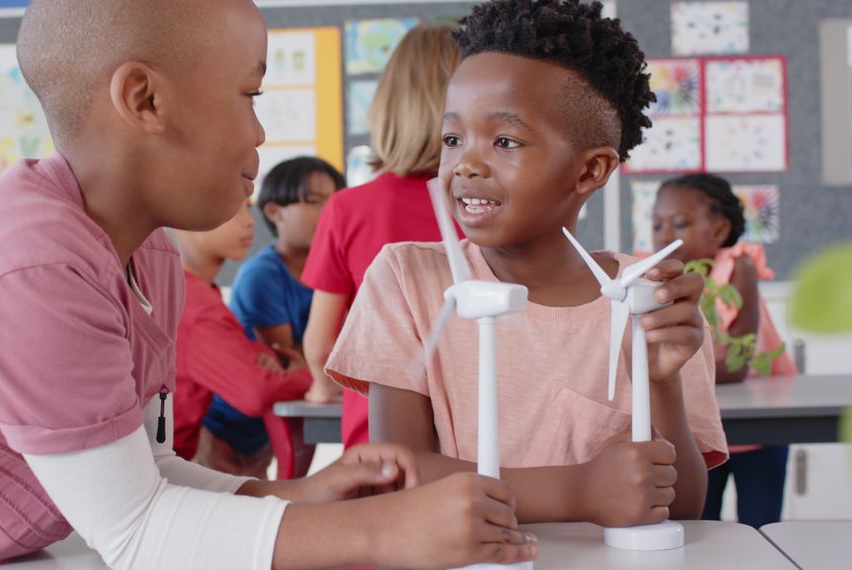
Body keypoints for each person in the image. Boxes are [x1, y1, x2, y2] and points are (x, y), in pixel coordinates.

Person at [0, 1, 539, 568]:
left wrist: (292, 496)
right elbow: (136, 534)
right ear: (144, 100)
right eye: (251, 95)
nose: (262, 134)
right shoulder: (27, 257)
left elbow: (141, 474)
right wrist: (389, 535)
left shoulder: (151, 257)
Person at [326, 0, 728, 527]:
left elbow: (685, 506)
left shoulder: (648, 300)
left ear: (590, 171)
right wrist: (577, 492)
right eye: (452, 139)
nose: (465, 163)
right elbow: (394, 479)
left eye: (505, 141)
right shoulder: (407, 279)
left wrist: (660, 384)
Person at [302, 23, 462, 450]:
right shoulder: (491, 208)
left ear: (387, 105)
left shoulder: (347, 209)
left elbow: (320, 346)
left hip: (378, 440)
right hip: (478, 437)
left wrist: (322, 388)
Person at [652, 173, 797, 528]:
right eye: (657, 225)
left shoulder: (738, 266)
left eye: (680, 223)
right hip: (700, 429)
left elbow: (736, 363)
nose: (665, 235)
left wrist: (671, 374)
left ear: (718, 231)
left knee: (761, 526)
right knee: (701, 524)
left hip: (761, 427)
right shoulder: (659, 278)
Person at [203, 157, 346, 474]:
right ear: (273, 211)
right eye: (313, 201)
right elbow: (292, 358)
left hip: (272, 426)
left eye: (335, 200)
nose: (329, 211)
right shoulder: (262, 275)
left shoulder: (334, 271)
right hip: (224, 428)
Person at [171, 200, 312, 477]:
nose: (249, 221)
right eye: (234, 209)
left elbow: (250, 358)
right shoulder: (197, 306)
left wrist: (273, 364)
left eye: (248, 209)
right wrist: (308, 377)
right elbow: (255, 391)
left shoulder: (194, 291)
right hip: (172, 465)